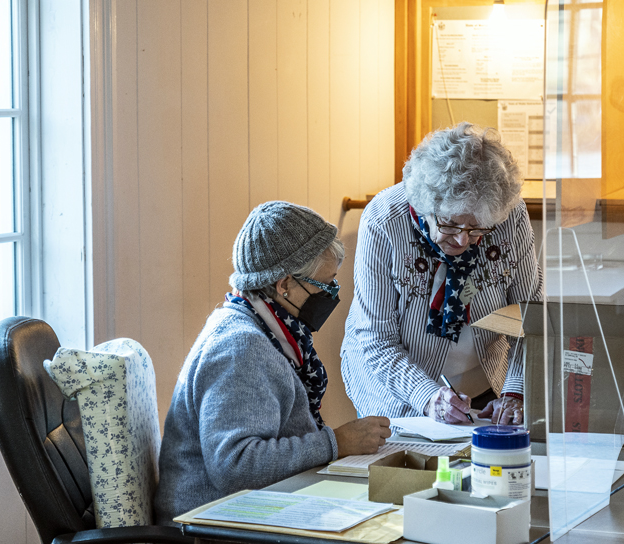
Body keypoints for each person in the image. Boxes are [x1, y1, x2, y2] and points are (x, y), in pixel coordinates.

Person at [154, 201, 391, 525]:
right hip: (214, 527)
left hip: (250, 514)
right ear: (284, 286)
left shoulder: (261, 329)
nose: (332, 294)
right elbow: (235, 466)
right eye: (325, 285)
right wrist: (337, 443)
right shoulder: (240, 349)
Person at [341, 122, 542, 427]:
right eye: (450, 224)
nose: (463, 241)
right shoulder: (384, 219)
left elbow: (533, 317)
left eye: (477, 229)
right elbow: (376, 338)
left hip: (487, 380)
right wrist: (427, 396)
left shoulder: (508, 214)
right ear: (424, 204)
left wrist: (516, 391)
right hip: (398, 388)